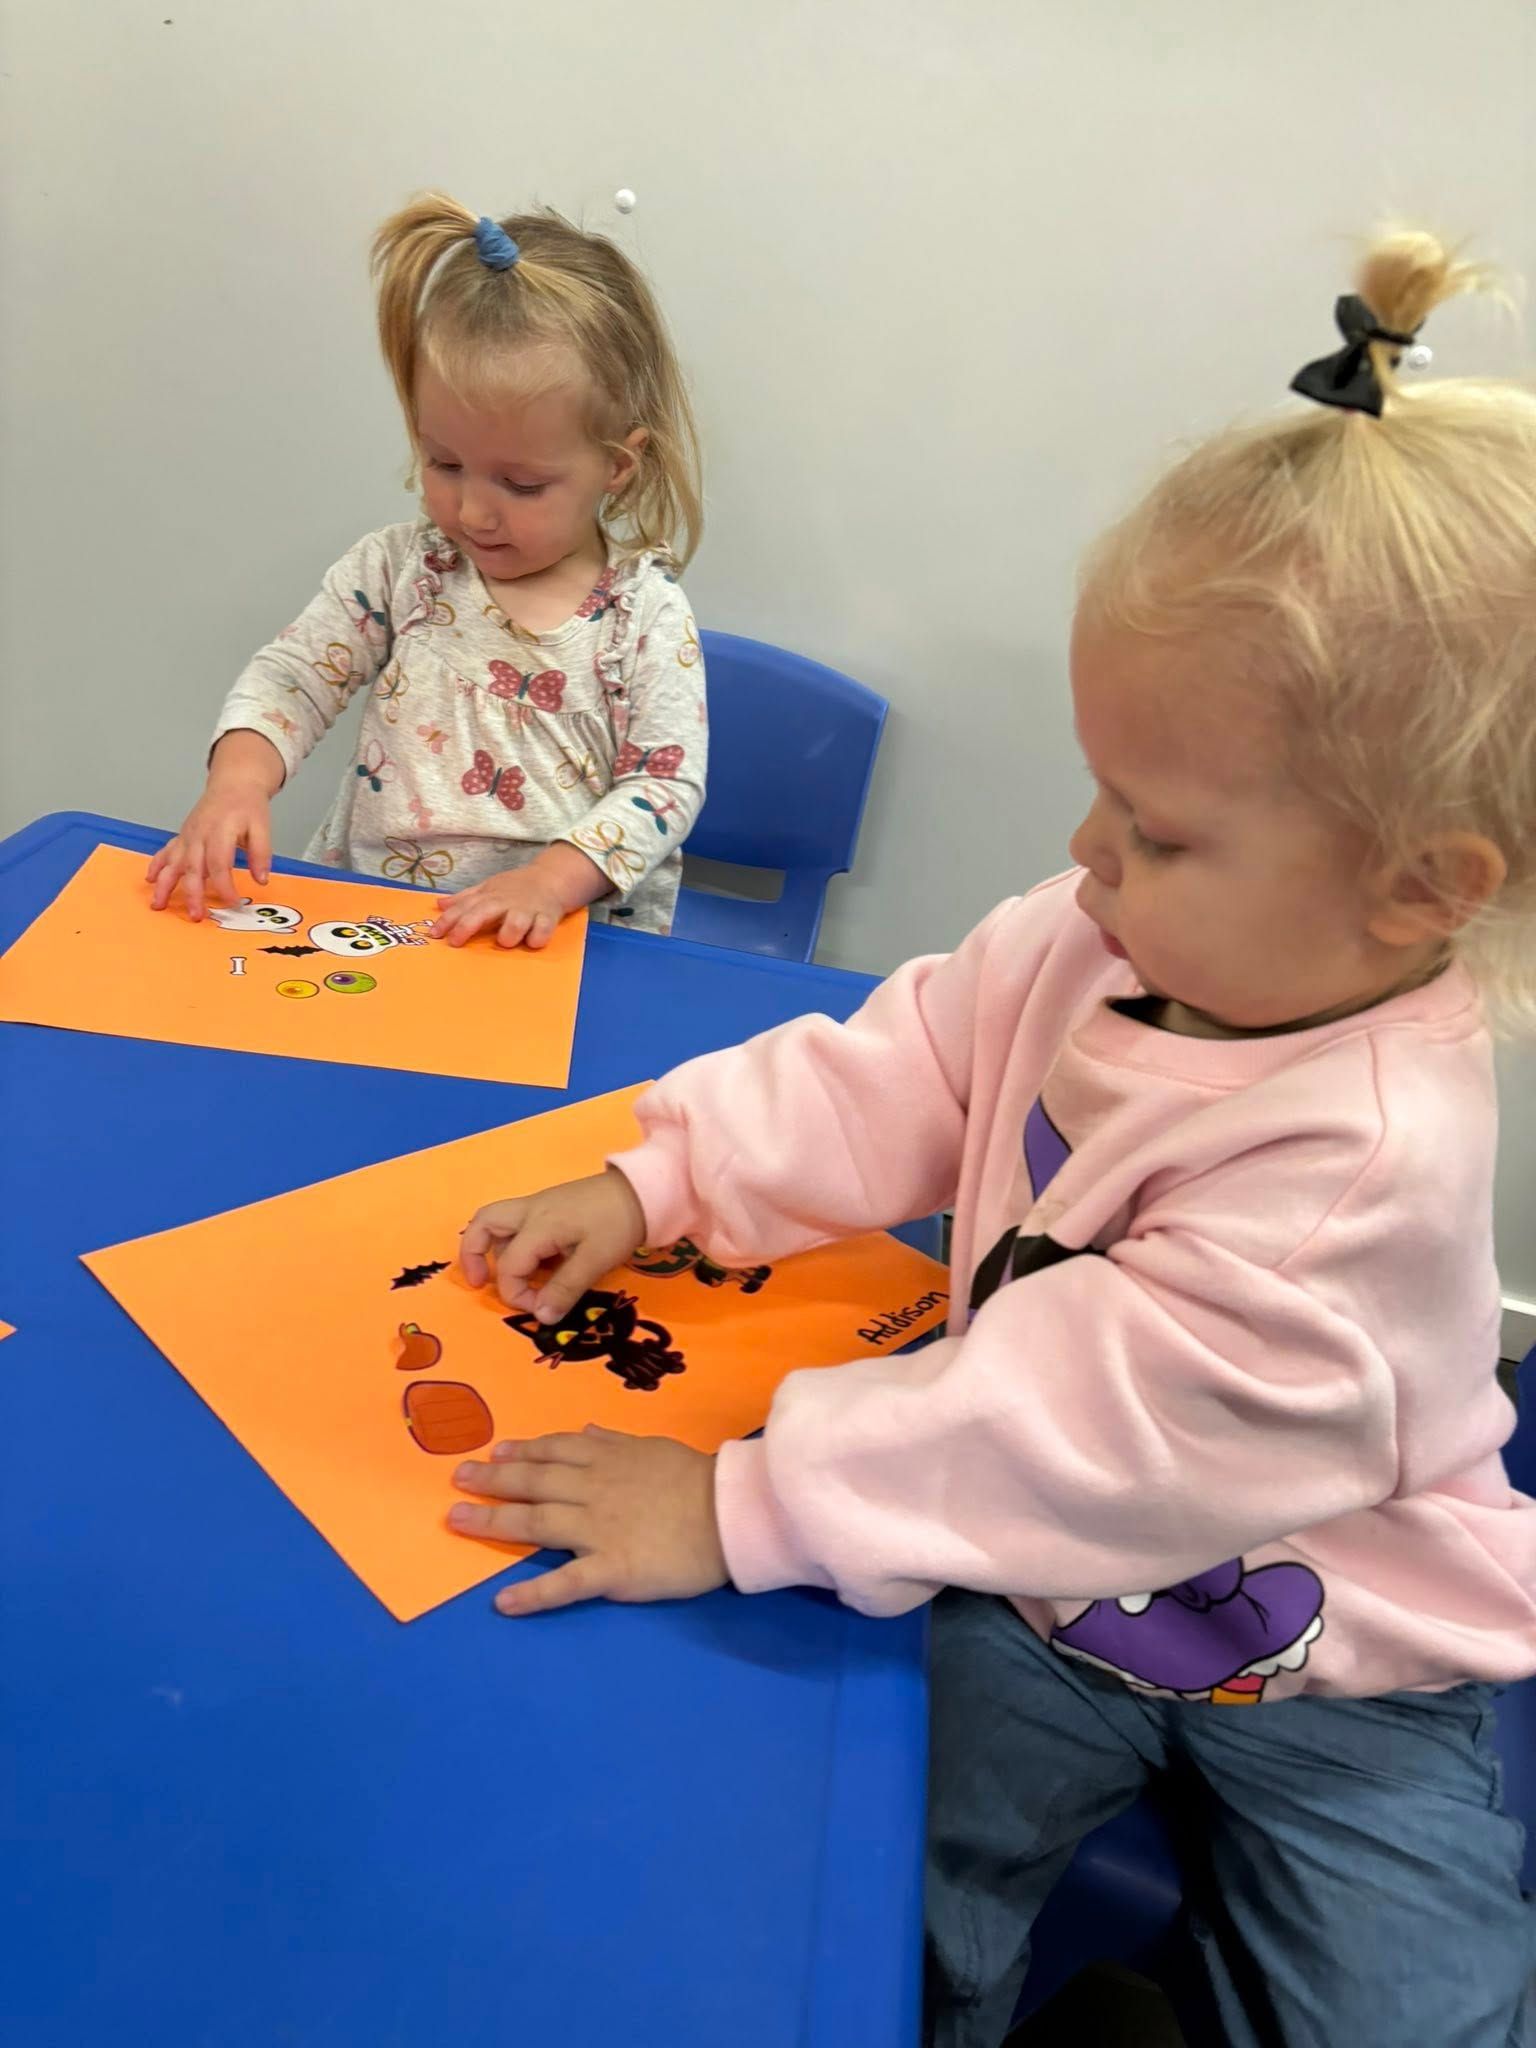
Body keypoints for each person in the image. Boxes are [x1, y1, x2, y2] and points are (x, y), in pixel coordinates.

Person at [451, 229, 1536, 2044]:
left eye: (1164, 827)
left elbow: (1083, 1422)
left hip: (1342, 1646)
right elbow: (915, 1057)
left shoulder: (1358, 1154)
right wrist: (663, 1179)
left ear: (1418, 889)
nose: (1089, 848)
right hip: (1035, 1589)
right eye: (1101, 784)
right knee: (865, 1890)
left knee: (1417, 2012)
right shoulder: (1096, 927)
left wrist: (742, 1500)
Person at [149, 193, 706, 946]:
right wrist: (237, 783)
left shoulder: (644, 615)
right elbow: (295, 675)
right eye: (445, 463)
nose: (474, 512)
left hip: (556, 946)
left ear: (617, 465)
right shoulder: (400, 571)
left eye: (521, 484)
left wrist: (551, 880)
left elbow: (663, 786)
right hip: (376, 929)